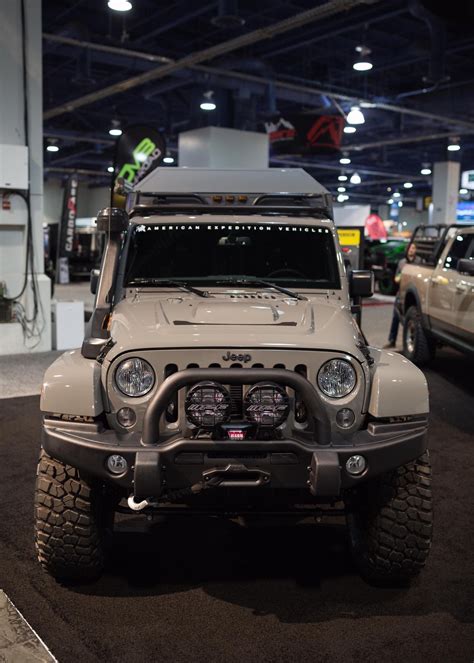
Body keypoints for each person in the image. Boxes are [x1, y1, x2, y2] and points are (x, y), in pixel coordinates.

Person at [383, 242, 418, 349]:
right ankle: (392, 340)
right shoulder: (402, 263)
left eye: (414, 248)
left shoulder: (419, 262)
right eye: (410, 248)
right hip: (401, 294)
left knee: (411, 319)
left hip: (414, 296)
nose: (412, 250)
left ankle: (410, 342)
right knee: (396, 317)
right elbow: (396, 278)